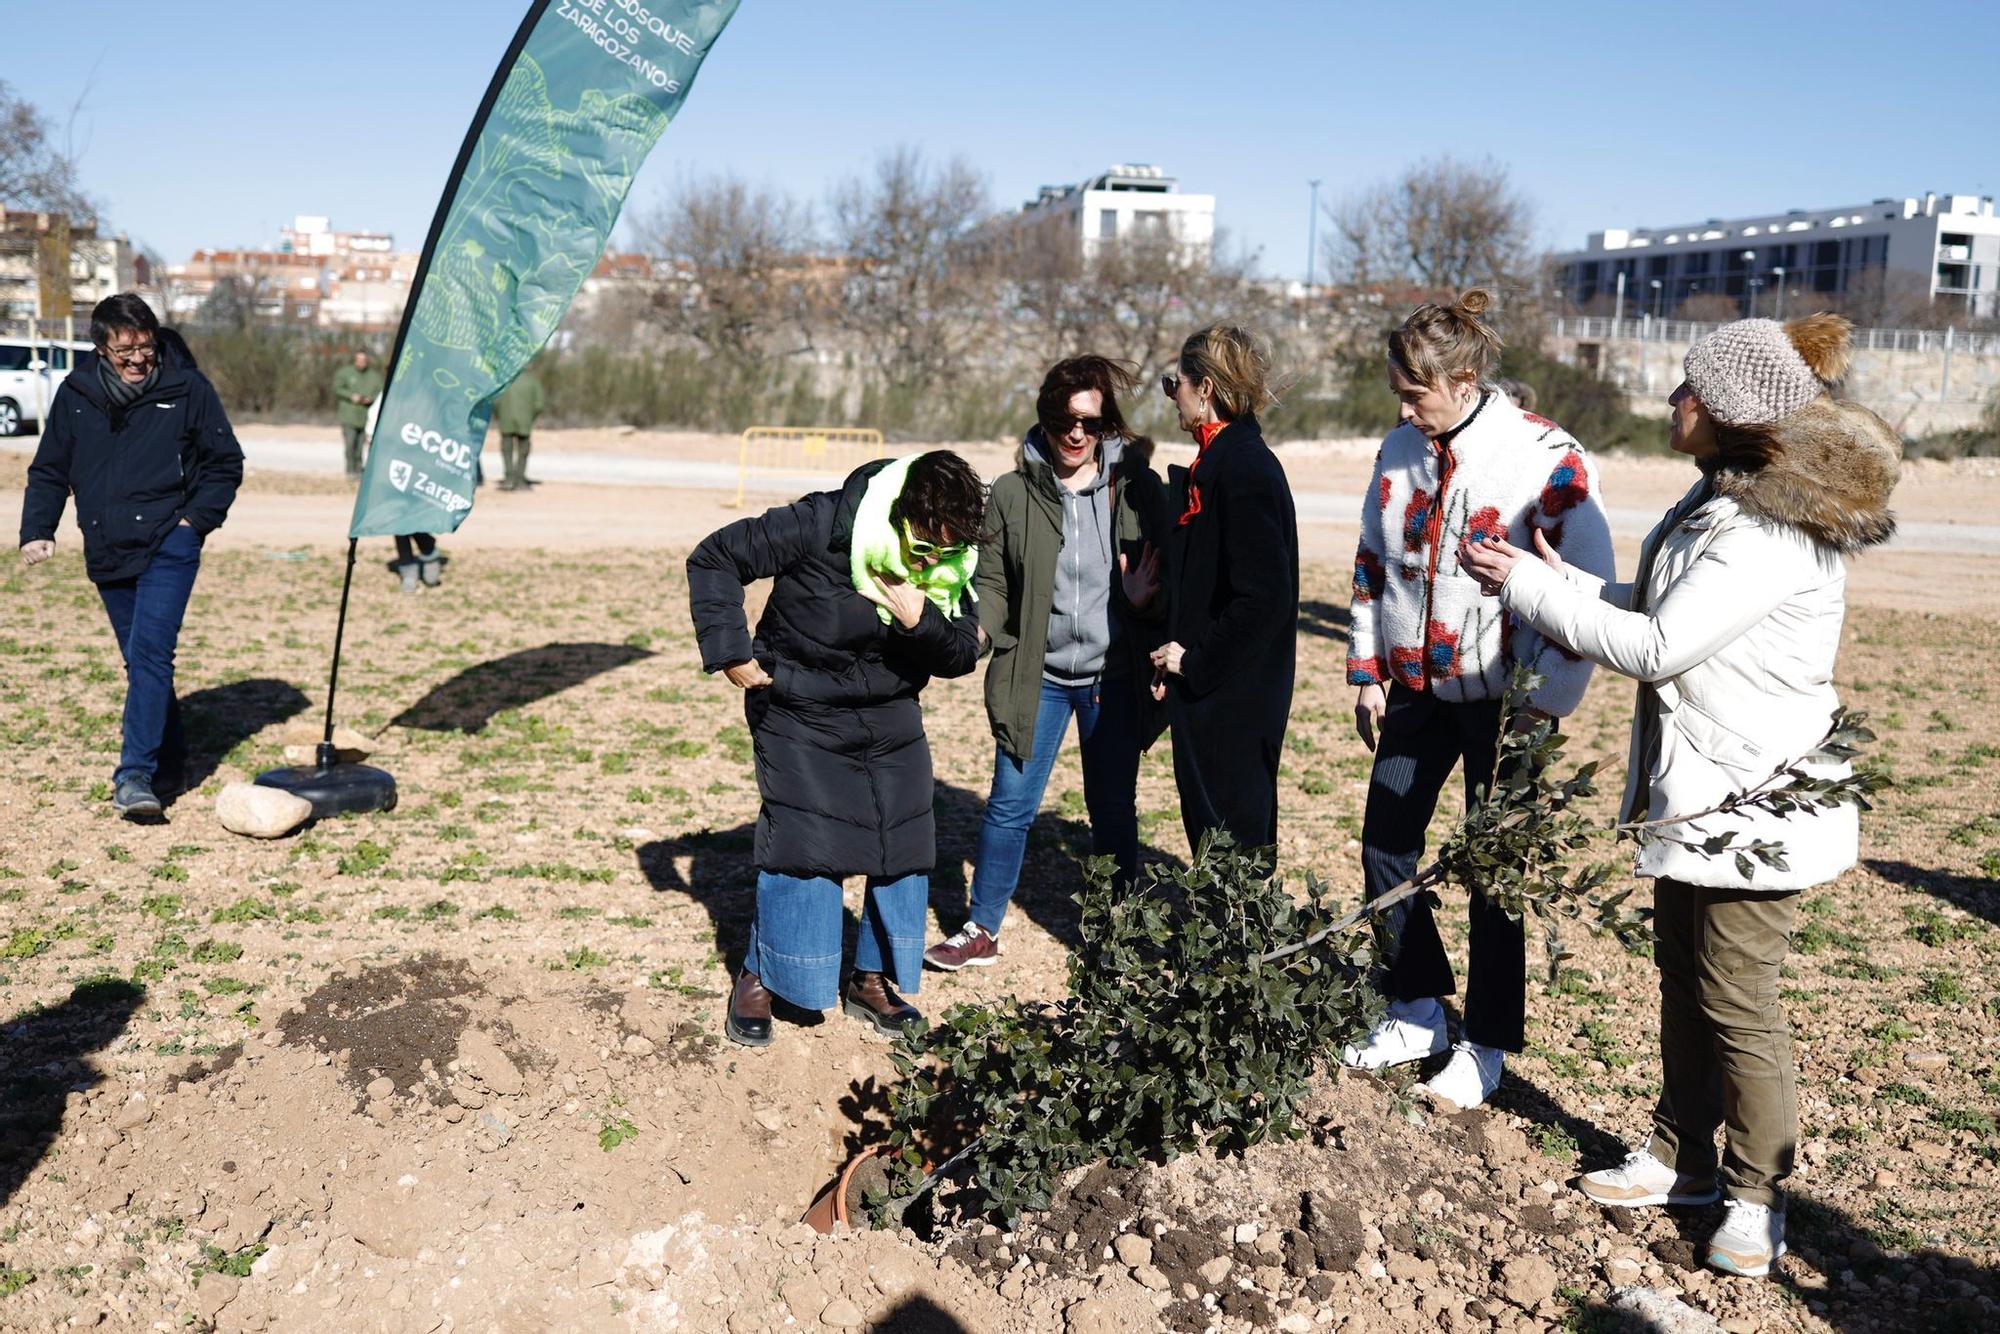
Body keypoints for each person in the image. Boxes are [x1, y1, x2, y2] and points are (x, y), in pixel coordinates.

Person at [1463, 313, 1897, 1277]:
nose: (1672, 402)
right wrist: (1542, 572)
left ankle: (1756, 1196)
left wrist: (1530, 592)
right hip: (1703, 795)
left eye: (1686, 390)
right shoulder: (1717, 503)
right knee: (1683, 980)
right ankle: (1680, 1157)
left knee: (1739, 1002)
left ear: (1730, 412)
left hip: (1754, 807)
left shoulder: (1771, 530)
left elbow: (1659, 648)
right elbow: (1656, 608)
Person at [1340, 290, 1614, 1112]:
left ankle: (1487, 1041)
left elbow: (1582, 589)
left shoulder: (1545, 456)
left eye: (1415, 391)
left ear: (1462, 380)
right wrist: (1366, 669)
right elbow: (1370, 562)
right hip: (1417, 691)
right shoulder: (1398, 448)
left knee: (1498, 874)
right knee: (1386, 844)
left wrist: (1546, 702)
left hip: (1509, 704)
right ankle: (1418, 1006)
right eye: (1397, 389)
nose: (1402, 406)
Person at [688, 450, 986, 1047]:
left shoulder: (948, 561)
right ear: (900, 513)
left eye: (943, 553)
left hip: (889, 711)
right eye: (923, 545)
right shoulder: (824, 522)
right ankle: (763, 974)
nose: (931, 560)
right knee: (807, 840)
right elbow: (715, 556)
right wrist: (732, 652)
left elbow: (959, 654)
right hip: (798, 704)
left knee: (903, 841)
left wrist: (919, 617)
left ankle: (870, 979)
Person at [926, 357, 1170, 972]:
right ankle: (982, 928)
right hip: (1038, 677)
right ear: (1046, 418)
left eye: (1089, 421)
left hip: (1112, 677)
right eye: (1064, 419)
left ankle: (1115, 932)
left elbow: (1166, 574)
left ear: (1105, 423)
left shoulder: (1134, 487)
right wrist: (979, 633)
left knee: (1112, 807)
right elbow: (994, 583)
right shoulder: (1012, 493)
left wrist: (1145, 604)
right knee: (1009, 806)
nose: (1075, 434)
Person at [17, 293, 244, 819]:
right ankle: (173, 758)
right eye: (125, 351)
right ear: (100, 348)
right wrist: (38, 528)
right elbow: (50, 467)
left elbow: (224, 462)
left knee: (149, 657)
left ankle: (133, 777)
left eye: (145, 346)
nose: (139, 359)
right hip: (106, 542)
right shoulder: (75, 394)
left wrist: (194, 524)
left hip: (169, 541)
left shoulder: (186, 388)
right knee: (140, 661)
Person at [1149, 324, 1298, 858]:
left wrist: (1195, 662)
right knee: (1216, 848)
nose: (1174, 397)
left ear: (1205, 387)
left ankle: (1246, 947)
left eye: (1176, 384)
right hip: (1212, 694)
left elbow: (1266, 598)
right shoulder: (1222, 460)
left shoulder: (1245, 467)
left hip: (1235, 699)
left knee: (1234, 853)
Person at [332, 349, 383, 481]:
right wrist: (351, 396)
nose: (361, 363)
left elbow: (380, 392)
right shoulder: (345, 373)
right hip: (349, 415)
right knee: (350, 444)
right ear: (355, 360)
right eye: (359, 360)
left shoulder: (375, 376)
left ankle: (359, 471)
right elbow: (337, 388)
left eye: (364, 360)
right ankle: (350, 470)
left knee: (361, 446)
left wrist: (371, 399)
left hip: (365, 417)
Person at [493, 363, 545, 491]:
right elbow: (539, 404)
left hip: (506, 420)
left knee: (506, 450)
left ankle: (509, 478)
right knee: (523, 450)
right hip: (525, 422)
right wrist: (530, 417)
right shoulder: (532, 380)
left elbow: (495, 400)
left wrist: (499, 415)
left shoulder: (504, 379)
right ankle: (520, 479)